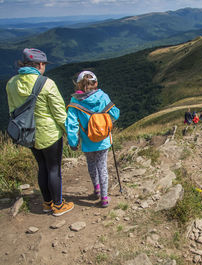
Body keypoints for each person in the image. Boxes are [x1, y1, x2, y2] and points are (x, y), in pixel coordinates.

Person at [6, 48, 74, 216]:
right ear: (40, 64)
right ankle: (58, 206)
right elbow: (60, 114)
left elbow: (12, 110)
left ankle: (47, 203)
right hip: (49, 134)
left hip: (28, 134)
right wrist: (72, 136)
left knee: (42, 166)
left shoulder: (11, 83)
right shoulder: (46, 83)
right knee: (53, 169)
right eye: (44, 64)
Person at [65, 71, 120, 208]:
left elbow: (71, 124)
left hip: (87, 141)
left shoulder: (75, 101)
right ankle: (104, 197)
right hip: (104, 139)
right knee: (102, 167)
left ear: (78, 84)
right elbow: (116, 114)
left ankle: (96, 189)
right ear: (96, 83)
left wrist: (73, 142)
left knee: (91, 165)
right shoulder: (103, 96)